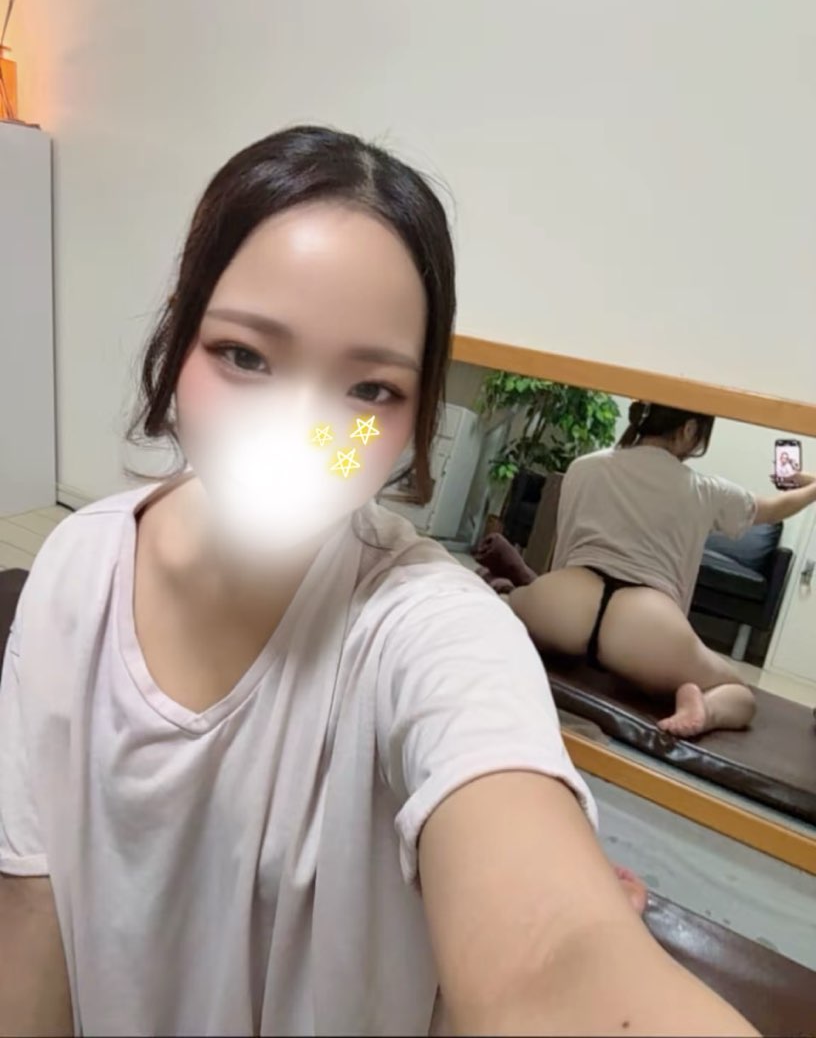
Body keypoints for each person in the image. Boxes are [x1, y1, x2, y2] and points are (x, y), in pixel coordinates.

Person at [0, 128, 756, 1037]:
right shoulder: (78, 565)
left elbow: (554, 959)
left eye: (368, 392)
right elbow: (31, 910)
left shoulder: (429, 627)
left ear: (414, 418)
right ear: (178, 337)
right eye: (245, 356)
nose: (299, 433)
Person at [476, 401, 816, 740]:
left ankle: (509, 594)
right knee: (739, 695)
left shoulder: (584, 467)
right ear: (689, 429)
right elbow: (773, 509)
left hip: (565, 598)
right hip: (647, 628)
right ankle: (703, 709)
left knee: (505, 602)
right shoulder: (705, 490)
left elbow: (564, 546)